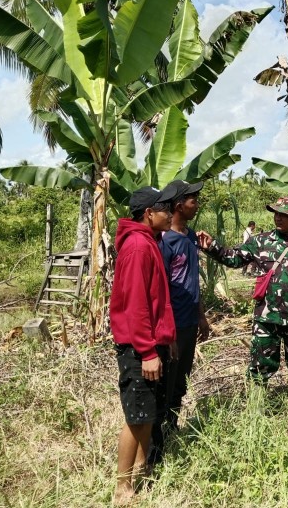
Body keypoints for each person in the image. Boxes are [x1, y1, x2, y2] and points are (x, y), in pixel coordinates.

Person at [197, 197, 288, 416]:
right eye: (275, 213)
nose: (278, 217)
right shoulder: (260, 242)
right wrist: (212, 246)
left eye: (283, 214)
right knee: (260, 366)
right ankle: (256, 415)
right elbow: (234, 258)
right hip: (266, 319)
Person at [110, 185, 177, 506]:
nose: (170, 215)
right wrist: (149, 352)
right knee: (137, 416)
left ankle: (141, 470)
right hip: (139, 349)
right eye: (165, 210)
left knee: (148, 414)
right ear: (149, 213)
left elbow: (156, 301)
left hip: (152, 344)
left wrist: (166, 340)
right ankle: (122, 488)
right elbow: (137, 305)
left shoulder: (148, 241)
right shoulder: (138, 246)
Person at [149, 180, 210, 466]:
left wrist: (201, 316)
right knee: (165, 384)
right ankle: (156, 448)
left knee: (180, 383)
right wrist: (167, 331)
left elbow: (192, 281)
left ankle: (171, 430)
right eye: (193, 200)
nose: (196, 205)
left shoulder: (190, 238)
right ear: (178, 206)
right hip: (171, 328)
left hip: (189, 323)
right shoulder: (164, 243)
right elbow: (159, 291)